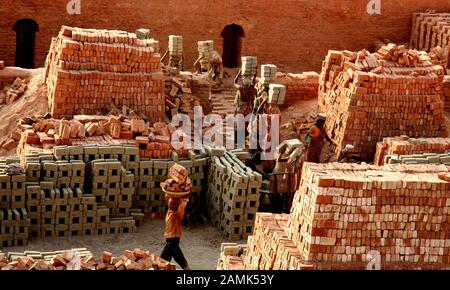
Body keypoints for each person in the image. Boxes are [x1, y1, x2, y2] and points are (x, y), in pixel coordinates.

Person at [161, 196, 190, 270]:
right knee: (176, 254)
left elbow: (182, 205)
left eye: (174, 204)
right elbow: (167, 197)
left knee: (165, 257)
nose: (171, 205)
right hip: (169, 238)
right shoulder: (169, 211)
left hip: (173, 238)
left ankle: (162, 266)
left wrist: (185, 199)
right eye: (170, 204)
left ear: (177, 206)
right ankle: (186, 267)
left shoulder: (178, 214)